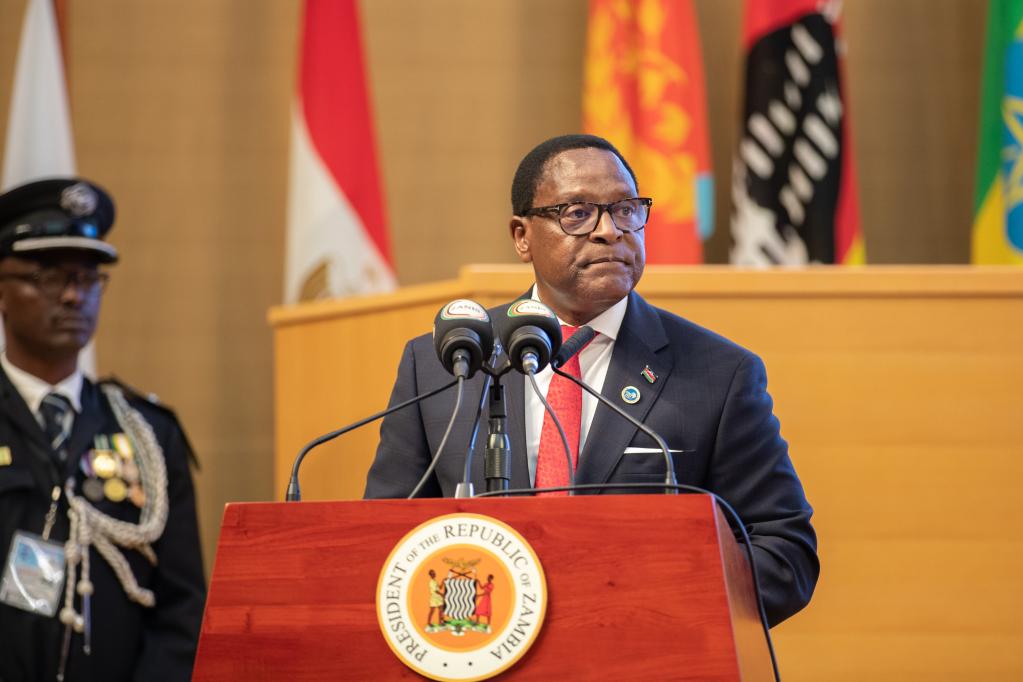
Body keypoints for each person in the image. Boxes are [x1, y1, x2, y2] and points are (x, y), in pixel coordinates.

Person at [364, 134, 818, 626]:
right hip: (479, 644)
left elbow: (784, 553)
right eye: (577, 213)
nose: (609, 231)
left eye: (625, 210)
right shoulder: (446, 362)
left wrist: (648, 598)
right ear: (521, 236)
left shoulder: (718, 374)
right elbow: (382, 542)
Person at [0, 178, 206, 681]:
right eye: (48, 276)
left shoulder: (148, 433)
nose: (74, 295)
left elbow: (182, 608)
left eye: (88, 278)